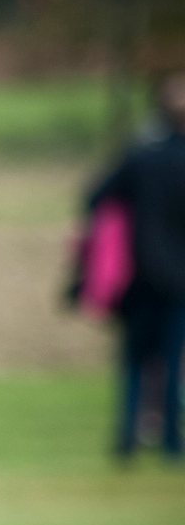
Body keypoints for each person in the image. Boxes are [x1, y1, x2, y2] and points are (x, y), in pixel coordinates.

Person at [87, 70, 185, 462]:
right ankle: (171, 443)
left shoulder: (140, 157)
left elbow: (96, 198)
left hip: (139, 275)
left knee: (133, 362)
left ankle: (126, 440)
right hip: (179, 278)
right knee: (173, 360)